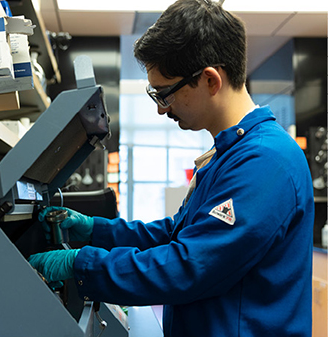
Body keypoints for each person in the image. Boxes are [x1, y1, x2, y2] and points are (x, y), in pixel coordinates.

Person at [28, 1, 314, 336]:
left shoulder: (266, 162)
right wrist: (97, 231)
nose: (163, 111)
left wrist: (82, 264)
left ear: (210, 80)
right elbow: (176, 234)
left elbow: (190, 266)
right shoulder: (230, 152)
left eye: (165, 95)